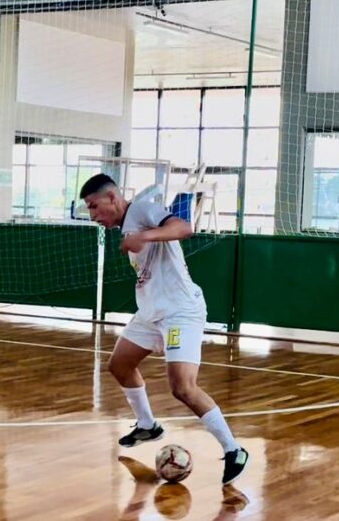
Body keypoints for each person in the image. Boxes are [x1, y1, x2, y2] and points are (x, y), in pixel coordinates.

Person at [80, 173, 248, 486]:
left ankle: (233, 449)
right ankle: (147, 424)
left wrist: (144, 237)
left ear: (112, 197)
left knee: (182, 387)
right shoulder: (129, 222)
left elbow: (185, 228)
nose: (92, 215)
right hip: (151, 312)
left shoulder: (141, 210)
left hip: (179, 311)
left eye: (93, 206)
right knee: (119, 365)